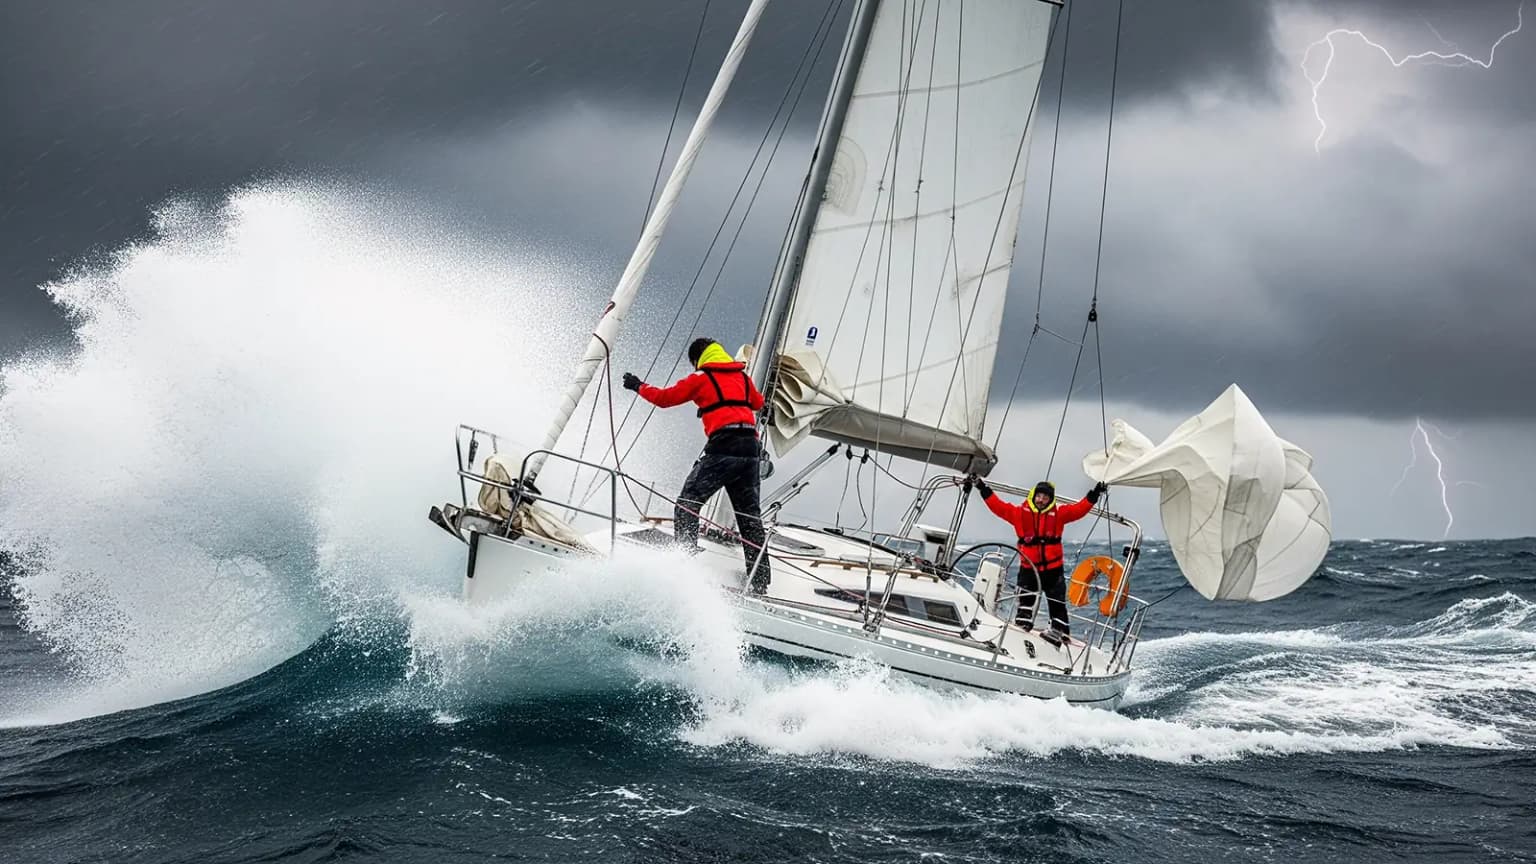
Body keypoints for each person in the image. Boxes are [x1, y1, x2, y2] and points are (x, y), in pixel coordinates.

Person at [623, 338, 772, 593]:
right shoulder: (743, 378)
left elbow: (664, 398)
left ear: (697, 359)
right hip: (750, 451)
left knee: (687, 504)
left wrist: (638, 385)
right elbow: (758, 403)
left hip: (724, 447)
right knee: (749, 518)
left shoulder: (701, 377)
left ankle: (684, 569)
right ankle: (760, 583)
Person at [969, 476, 1107, 640]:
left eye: (1045, 497)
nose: (1041, 500)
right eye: (1039, 496)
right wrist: (982, 487)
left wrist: (1095, 493)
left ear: (1050, 499)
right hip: (1028, 568)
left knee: (1057, 603)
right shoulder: (1019, 513)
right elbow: (998, 507)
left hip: (1053, 570)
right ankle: (1022, 628)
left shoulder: (1059, 514)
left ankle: (1060, 632)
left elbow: (1079, 509)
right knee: (1025, 602)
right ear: (1033, 496)